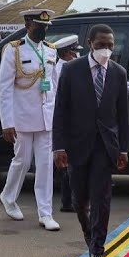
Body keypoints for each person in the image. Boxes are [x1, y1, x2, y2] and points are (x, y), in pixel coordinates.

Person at [52, 25, 129, 257]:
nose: (106, 50)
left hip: (105, 147)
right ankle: (88, 233)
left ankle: (97, 249)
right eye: (101, 45)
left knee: (101, 199)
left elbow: (123, 116)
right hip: (77, 145)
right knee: (79, 199)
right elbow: (61, 110)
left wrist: (124, 149)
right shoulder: (71, 70)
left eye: (110, 45)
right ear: (89, 43)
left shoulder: (118, 73)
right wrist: (59, 146)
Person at [0, 9, 60, 231]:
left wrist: (57, 116)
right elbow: (4, 88)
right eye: (39, 26)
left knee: (45, 164)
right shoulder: (14, 51)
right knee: (22, 161)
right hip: (22, 116)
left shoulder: (51, 51)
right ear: (27, 23)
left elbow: (55, 85)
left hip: (46, 116)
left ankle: (45, 213)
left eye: (46, 27)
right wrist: (7, 122)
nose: (44, 30)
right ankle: (8, 196)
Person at [53, 36, 81, 214]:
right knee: (68, 164)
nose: (76, 55)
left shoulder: (67, 67)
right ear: (69, 53)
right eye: (74, 52)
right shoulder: (63, 69)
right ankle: (68, 202)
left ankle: (70, 200)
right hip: (68, 121)